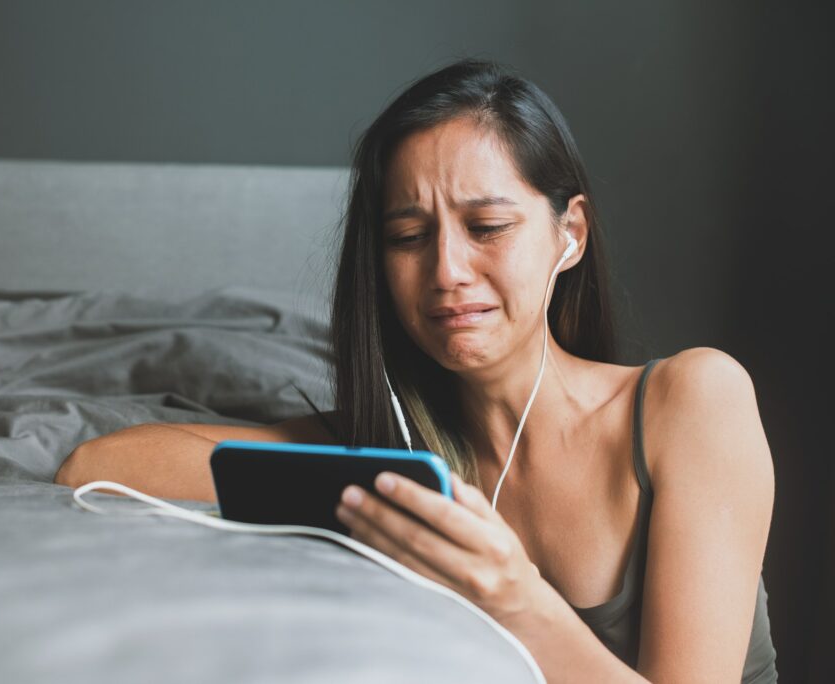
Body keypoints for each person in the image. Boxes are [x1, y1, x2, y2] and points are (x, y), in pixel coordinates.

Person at [55, 59, 777, 683]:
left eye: (487, 227)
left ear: (570, 235)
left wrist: (513, 596)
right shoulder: (400, 458)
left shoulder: (694, 402)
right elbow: (96, 464)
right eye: (408, 237)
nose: (446, 271)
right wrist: (323, 468)